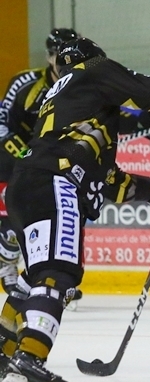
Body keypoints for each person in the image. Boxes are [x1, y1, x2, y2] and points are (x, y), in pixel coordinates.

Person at [0, 37, 150, 382]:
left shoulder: (72, 108)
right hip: (56, 182)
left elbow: (107, 181)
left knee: (35, 276)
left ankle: (5, 351)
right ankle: (30, 358)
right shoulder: (91, 69)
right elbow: (143, 88)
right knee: (58, 273)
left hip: (28, 184)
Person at [0, 29, 80, 298]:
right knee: (14, 225)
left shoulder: (81, 86)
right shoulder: (25, 84)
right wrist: (25, 155)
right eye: (60, 55)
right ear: (49, 56)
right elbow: (1, 124)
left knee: (56, 219)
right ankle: (7, 267)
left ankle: (49, 275)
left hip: (45, 161)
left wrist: (146, 124)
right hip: (10, 159)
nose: (67, 61)